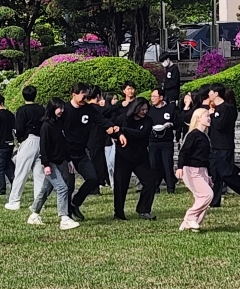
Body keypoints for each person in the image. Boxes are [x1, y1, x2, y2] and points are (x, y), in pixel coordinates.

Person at [29, 98, 78, 230]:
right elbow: (43, 147)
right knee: (62, 188)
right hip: (50, 163)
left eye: (62, 108)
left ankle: (34, 214)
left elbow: (63, 145)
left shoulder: (59, 124)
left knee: (46, 190)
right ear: (52, 108)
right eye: (59, 108)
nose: (61, 111)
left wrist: (69, 160)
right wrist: (46, 165)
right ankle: (64, 218)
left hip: (60, 161)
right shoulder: (46, 126)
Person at [206, 85, 240, 208]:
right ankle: (215, 201)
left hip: (224, 146)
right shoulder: (214, 108)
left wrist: (212, 116)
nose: (209, 94)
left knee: (226, 173)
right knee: (216, 175)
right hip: (214, 145)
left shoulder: (227, 108)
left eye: (210, 92)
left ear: (216, 93)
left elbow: (221, 125)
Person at [112, 97, 158, 220]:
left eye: (146, 109)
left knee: (150, 182)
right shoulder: (122, 118)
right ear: (135, 108)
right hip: (123, 157)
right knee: (120, 185)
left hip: (141, 157)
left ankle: (144, 210)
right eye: (142, 109)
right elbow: (113, 130)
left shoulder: (148, 121)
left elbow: (141, 134)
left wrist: (123, 130)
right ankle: (119, 213)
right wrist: (120, 134)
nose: (144, 112)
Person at [64, 83, 103, 220]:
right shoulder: (65, 109)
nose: (85, 99)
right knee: (69, 184)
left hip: (81, 153)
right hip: (66, 154)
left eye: (87, 96)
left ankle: (76, 203)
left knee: (93, 179)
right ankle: (66, 213)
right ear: (73, 94)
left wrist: (112, 128)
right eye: (83, 95)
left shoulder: (89, 109)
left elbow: (101, 120)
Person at [6, 85, 46, 211]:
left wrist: (19, 137)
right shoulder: (42, 109)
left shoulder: (22, 110)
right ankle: (39, 203)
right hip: (42, 141)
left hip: (29, 140)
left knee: (21, 172)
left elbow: (20, 128)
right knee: (39, 174)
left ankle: (14, 201)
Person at [176, 107, 214, 232]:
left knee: (202, 198)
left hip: (202, 170)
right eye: (206, 116)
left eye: (209, 116)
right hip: (191, 170)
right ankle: (190, 217)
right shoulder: (193, 135)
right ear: (198, 118)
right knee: (207, 195)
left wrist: (209, 174)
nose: (209, 118)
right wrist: (180, 167)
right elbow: (184, 152)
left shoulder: (204, 136)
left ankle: (193, 223)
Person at [148, 88, 177, 194]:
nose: (152, 99)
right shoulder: (149, 110)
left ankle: (171, 187)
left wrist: (170, 125)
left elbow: (177, 123)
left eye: (154, 96)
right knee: (154, 164)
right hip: (153, 141)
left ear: (161, 97)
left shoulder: (170, 109)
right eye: (151, 97)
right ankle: (155, 187)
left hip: (166, 142)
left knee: (168, 164)